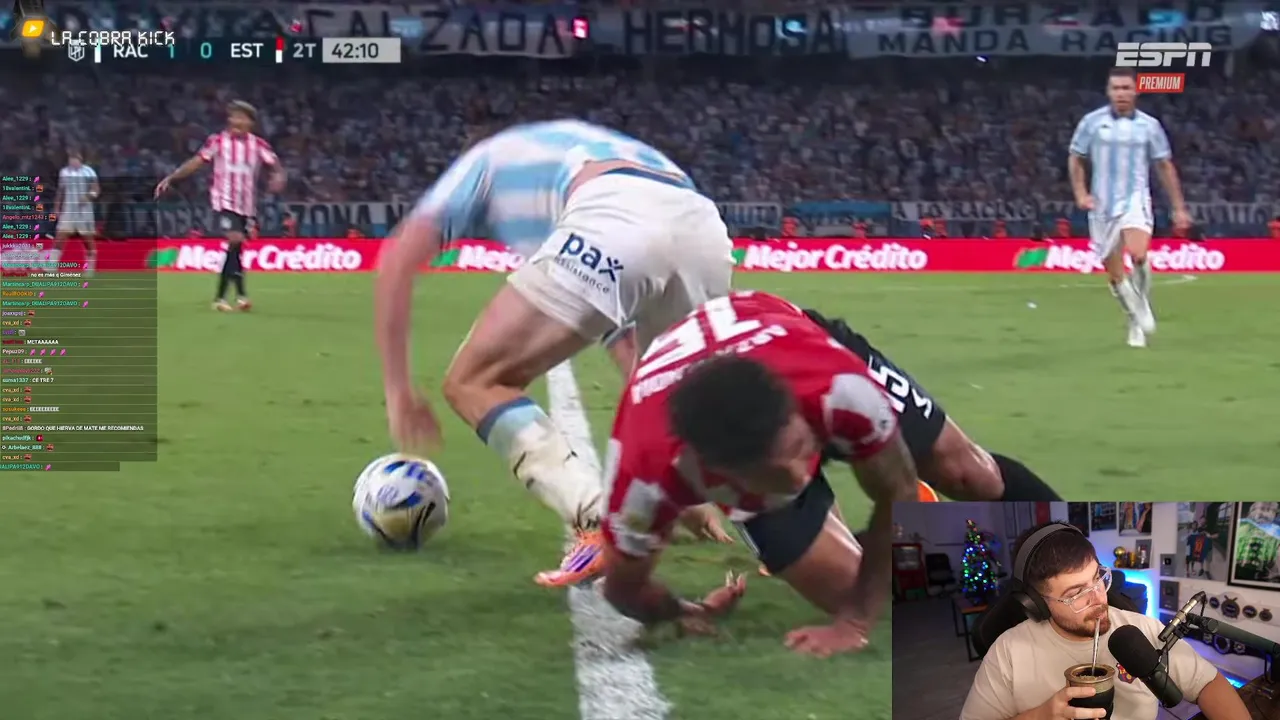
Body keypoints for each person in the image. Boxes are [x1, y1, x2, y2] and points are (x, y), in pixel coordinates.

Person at [374, 119, 735, 588]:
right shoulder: (573, 146)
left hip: (614, 213)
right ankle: (790, 536)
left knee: (476, 381)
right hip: (704, 227)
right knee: (689, 402)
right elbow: (627, 346)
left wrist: (398, 390)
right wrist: (680, 480)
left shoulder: (484, 161)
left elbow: (398, 259)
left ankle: (595, 517)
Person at [599, 291, 919, 658]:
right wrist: (690, 611)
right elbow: (621, 590)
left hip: (772, 328)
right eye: (775, 474)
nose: (800, 477)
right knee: (855, 588)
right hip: (732, 433)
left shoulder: (841, 386)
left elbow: (900, 489)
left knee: (962, 472)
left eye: (800, 450)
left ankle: (951, 543)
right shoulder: (643, 475)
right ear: (719, 477)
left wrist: (855, 622)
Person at [960, 522, 1248, 720]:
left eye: (1097, 578)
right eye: (1076, 594)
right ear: (1036, 603)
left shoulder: (1142, 629)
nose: (1099, 598)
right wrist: (1041, 715)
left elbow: (1209, 683)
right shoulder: (1008, 652)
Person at [1068, 67, 1191, 349]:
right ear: (1108, 91)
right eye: (1116, 88)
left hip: (1135, 198)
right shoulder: (1092, 122)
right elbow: (1076, 158)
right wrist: (1081, 193)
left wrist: (1178, 207)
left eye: (1126, 88)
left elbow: (1164, 165)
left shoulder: (1149, 126)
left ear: (1136, 91)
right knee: (1116, 276)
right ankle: (1133, 316)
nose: (1121, 93)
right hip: (1102, 205)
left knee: (1138, 254)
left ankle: (1141, 307)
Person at [154, 100, 287, 312]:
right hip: (224, 201)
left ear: (250, 122)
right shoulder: (218, 141)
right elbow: (196, 161)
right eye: (233, 116)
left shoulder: (259, 145)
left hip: (247, 205)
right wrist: (172, 177)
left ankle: (236, 296)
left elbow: (277, 167)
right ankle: (223, 299)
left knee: (236, 249)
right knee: (235, 239)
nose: (235, 121)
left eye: (241, 117)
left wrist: (279, 177)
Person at [53, 149, 100, 275]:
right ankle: (51, 268)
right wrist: (57, 208)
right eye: (71, 159)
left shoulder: (89, 171)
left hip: (84, 212)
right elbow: (60, 191)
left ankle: (90, 269)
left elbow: (96, 189)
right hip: (68, 210)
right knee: (60, 237)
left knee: (87, 240)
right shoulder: (64, 172)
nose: (73, 161)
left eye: (75, 159)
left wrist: (88, 196)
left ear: (80, 160)